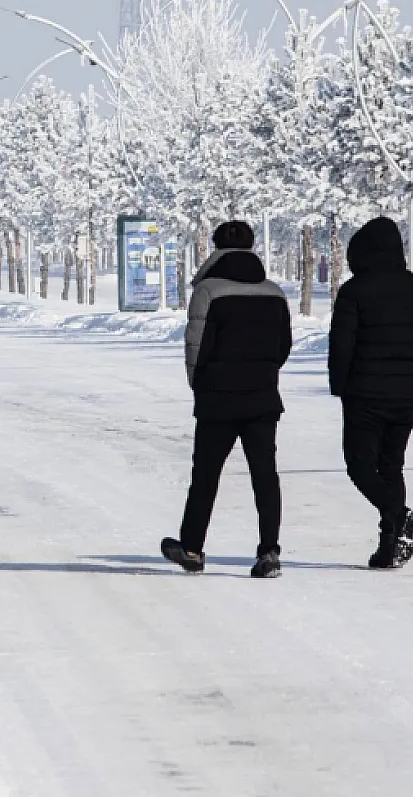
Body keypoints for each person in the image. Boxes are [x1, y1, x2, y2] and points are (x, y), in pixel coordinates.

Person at [161, 221, 292, 579]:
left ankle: (192, 548)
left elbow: (196, 348)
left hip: (218, 397)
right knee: (265, 476)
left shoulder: (208, 291)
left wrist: (200, 386)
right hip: (263, 398)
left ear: (216, 249)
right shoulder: (274, 292)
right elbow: (283, 348)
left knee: (206, 475)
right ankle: (269, 551)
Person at [329, 217, 413, 570]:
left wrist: (342, 386)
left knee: (360, 466)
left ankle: (399, 515)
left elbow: (341, 346)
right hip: (405, 398)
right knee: (391, 466)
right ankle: (389, 546)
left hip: (364, 396)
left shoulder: (354, 291)